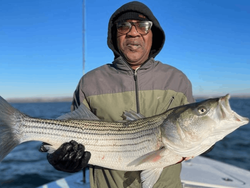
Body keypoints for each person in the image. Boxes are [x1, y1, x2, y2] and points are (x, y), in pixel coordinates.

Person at [40, 1, 196, 187]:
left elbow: (193, 128)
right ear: (114, 35)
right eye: (124, 26)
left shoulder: (178, 80)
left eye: (143, 26)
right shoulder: (90, 81)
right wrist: (62, 160)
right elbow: (71, 128)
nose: (133, 32)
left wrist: (207, 139)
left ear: (153, 34)